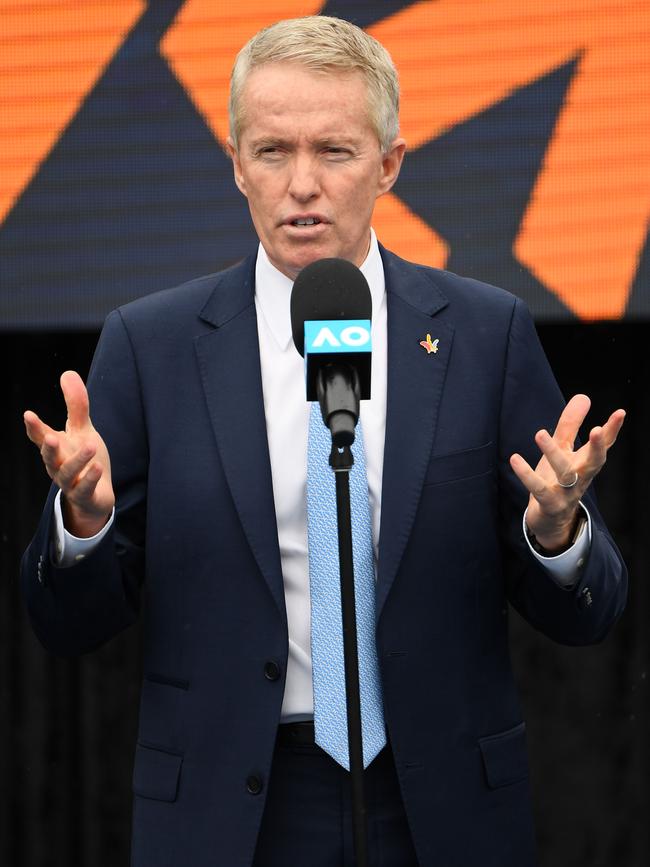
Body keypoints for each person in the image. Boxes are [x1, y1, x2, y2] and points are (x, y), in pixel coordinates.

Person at [21, 15, 627, 867]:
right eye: (271, 151)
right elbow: (69, 624)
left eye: (335, 152)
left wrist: (558, 535)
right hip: (233, 809)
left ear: (388, 165)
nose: (302, 183)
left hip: (438, 802)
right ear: (235, 166)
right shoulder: (150, 346)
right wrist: (82, 528)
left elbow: (588, 614)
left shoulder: (484, 334)